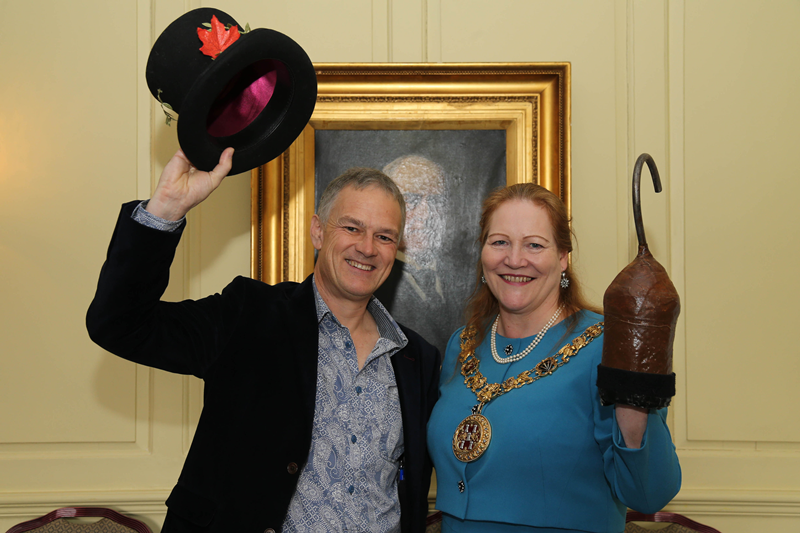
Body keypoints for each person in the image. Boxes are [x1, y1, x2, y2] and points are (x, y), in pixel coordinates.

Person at [86, 148, 441, 533]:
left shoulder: (416, 358)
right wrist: (166, 209)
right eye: (352, 228)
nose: (367, 247)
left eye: (384, 236)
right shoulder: (250, 315)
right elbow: (120, 324)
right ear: (318, 231)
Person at [426, 183, 681, 533]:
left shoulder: (609, 347)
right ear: (482, 252)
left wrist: (634, 407)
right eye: (499, 241)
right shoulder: (463, 343)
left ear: (563, 257)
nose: (514, 259)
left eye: (534, 244)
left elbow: (649, 494)